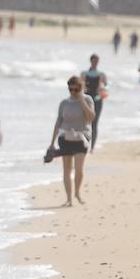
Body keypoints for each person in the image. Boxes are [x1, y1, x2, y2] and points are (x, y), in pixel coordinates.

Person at [47, 76, 95, 207]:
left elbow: (91, 118)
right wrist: (52, 143)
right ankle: (69, 198)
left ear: (81, 87)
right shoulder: (64, 103)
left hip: (82, 138)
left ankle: (77, 192)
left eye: (76, 89)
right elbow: (58, 123)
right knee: (66, 169)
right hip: (65, 138)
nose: (73, 91)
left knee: (79, 169)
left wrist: (82, 100)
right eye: (70, 89)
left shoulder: (88, 99)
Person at [81, 54, 108, 152]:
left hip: (97, 100)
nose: (95, 62)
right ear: (91, 61)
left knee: (94, 123)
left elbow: (107, 87)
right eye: (94, 61)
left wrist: (102, 89)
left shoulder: (102, 74)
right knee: (85, 123)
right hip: (87, 99)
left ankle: (92, 147)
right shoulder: (84, 73)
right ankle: (85, 144)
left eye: (97, 61)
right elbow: (80, 87)